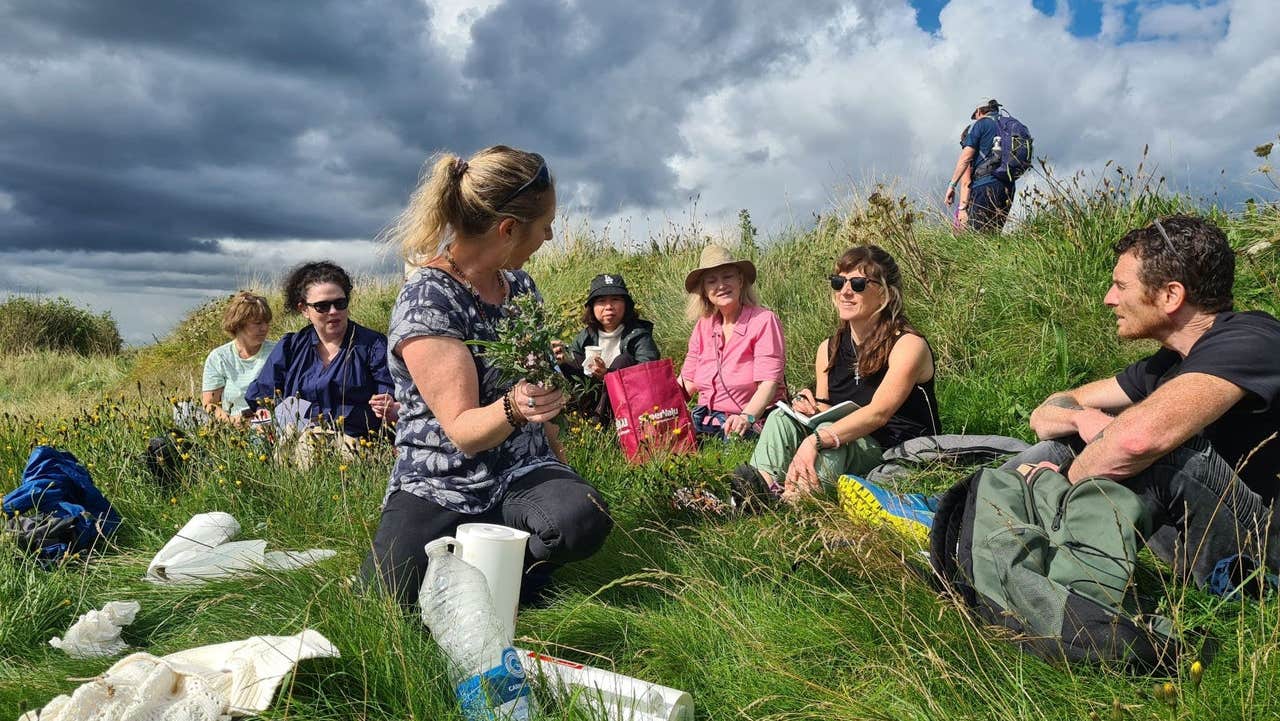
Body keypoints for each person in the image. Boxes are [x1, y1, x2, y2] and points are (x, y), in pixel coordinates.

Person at [850, 215, 1280, 590]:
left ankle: (976, 528)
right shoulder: (1164, 365)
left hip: (1260, 554)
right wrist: (1088, 420)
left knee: (1165, 453)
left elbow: (1137, 441)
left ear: (1170, 295)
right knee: (1073, 439)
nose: (1110, 299)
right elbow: (1049, 412)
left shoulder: (1252, 338)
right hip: (1200, 530)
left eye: (1120, 285)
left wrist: (1055, 482)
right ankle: (962, 513)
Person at [360, 145, 613, 607]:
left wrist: (561, 468)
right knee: (388, 602)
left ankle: (507, 577)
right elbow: (463, 432)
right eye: (545, 225)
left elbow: (540, 387)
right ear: (508, 229)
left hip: (521, 466)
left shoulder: (519, 287)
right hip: (442, 479)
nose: (551, 236)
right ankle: (488, 567)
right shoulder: (428, 300)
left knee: (581, 518)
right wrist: (516, 406)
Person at [733, 246, 941, 504]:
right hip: (844, 435)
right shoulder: (829, 348)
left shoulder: (908, 345)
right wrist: (807, 406)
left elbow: (879, 413)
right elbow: (827, 407)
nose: (845, 291)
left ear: (886, 293)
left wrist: (815, 441)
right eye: (838, 282)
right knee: (780, 418)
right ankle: (757, 491)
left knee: (830, 434)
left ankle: (793, 502)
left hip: (892, 446)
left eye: (858, 283)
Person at [245, 261, 397, 439]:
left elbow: (392, 395)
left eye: (340, 303)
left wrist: (388, 405)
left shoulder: (373, 345)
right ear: (304, 309)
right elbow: (262, 395)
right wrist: (266, 417)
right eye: (322, 306)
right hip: (295, 442)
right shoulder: (290, 347)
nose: (333, 311)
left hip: (358, 445)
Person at [678, 245, 785, 440]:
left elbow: (768, 384)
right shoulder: (703, 326)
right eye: (712, 280)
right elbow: (687, 383)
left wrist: (746, 417)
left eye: (727, 277)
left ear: (740, 280)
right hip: (704, 420)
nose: (720, 285)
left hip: (751, 422)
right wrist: (656, 407)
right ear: (704, 290)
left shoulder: (763, 321)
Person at [551, 273, 660, 422]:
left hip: (630, 403)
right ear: (592, 307)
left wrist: (608, 375)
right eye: (601, 301)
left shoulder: (639, 335)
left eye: (615, 299)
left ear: (626, 305)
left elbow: (650, 372)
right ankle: (575, 418)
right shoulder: (586, 335)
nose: (609, 307)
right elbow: (575, 369)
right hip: (592, 399)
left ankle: (598, 423)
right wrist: (563, 360)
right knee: (569, 363)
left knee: (624, 360)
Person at [200, 292, 276, 424]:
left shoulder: (277, 352)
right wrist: (231, 421)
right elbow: (209, 404)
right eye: (257, 323)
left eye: (266, 322)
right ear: (239, 324)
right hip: (233, 425)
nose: (264, 328)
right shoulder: (219, 357)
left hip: (270, 423)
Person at [945, 99, 1014, 233]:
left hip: (984, 186)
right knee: (993, 237)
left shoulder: (979, 125)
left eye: (975, 116)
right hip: (1008, 187)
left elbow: (966, 160)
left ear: (979, 111)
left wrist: (952, 187)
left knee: (976, 239)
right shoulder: (1006, 126)